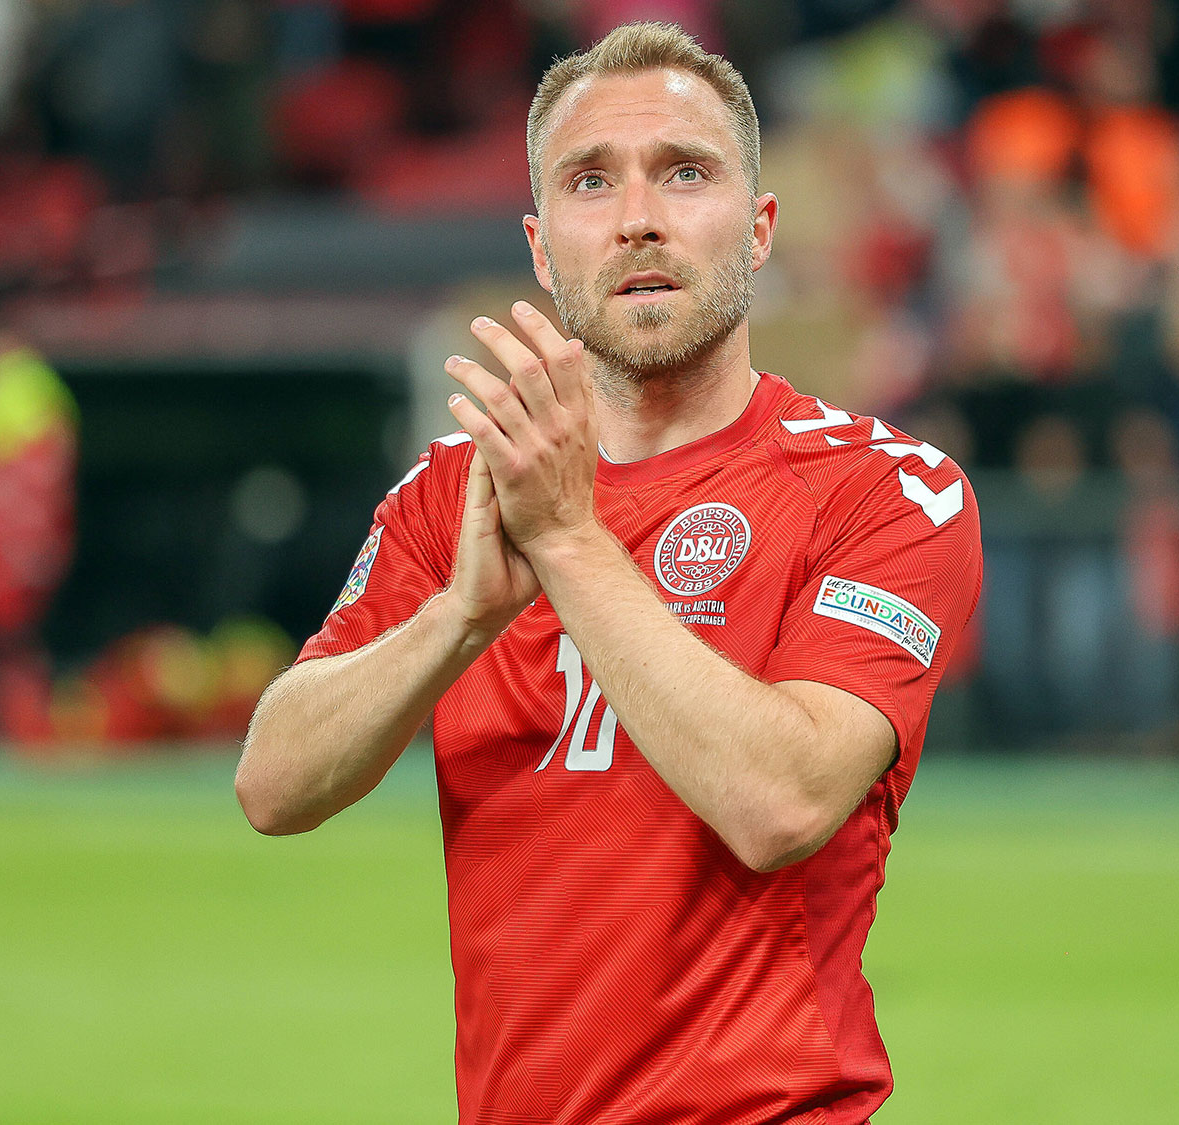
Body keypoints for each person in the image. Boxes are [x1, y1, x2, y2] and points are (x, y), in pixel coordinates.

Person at [237, 22, 984, 1124]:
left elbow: (781, 803)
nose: (638, 216)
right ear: (543, 250)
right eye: (591, 181)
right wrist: (459, 617)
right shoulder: (453, 494)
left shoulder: (885, 491)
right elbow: (273, 784)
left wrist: (568, 540)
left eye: (685, 173)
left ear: (759, 230)